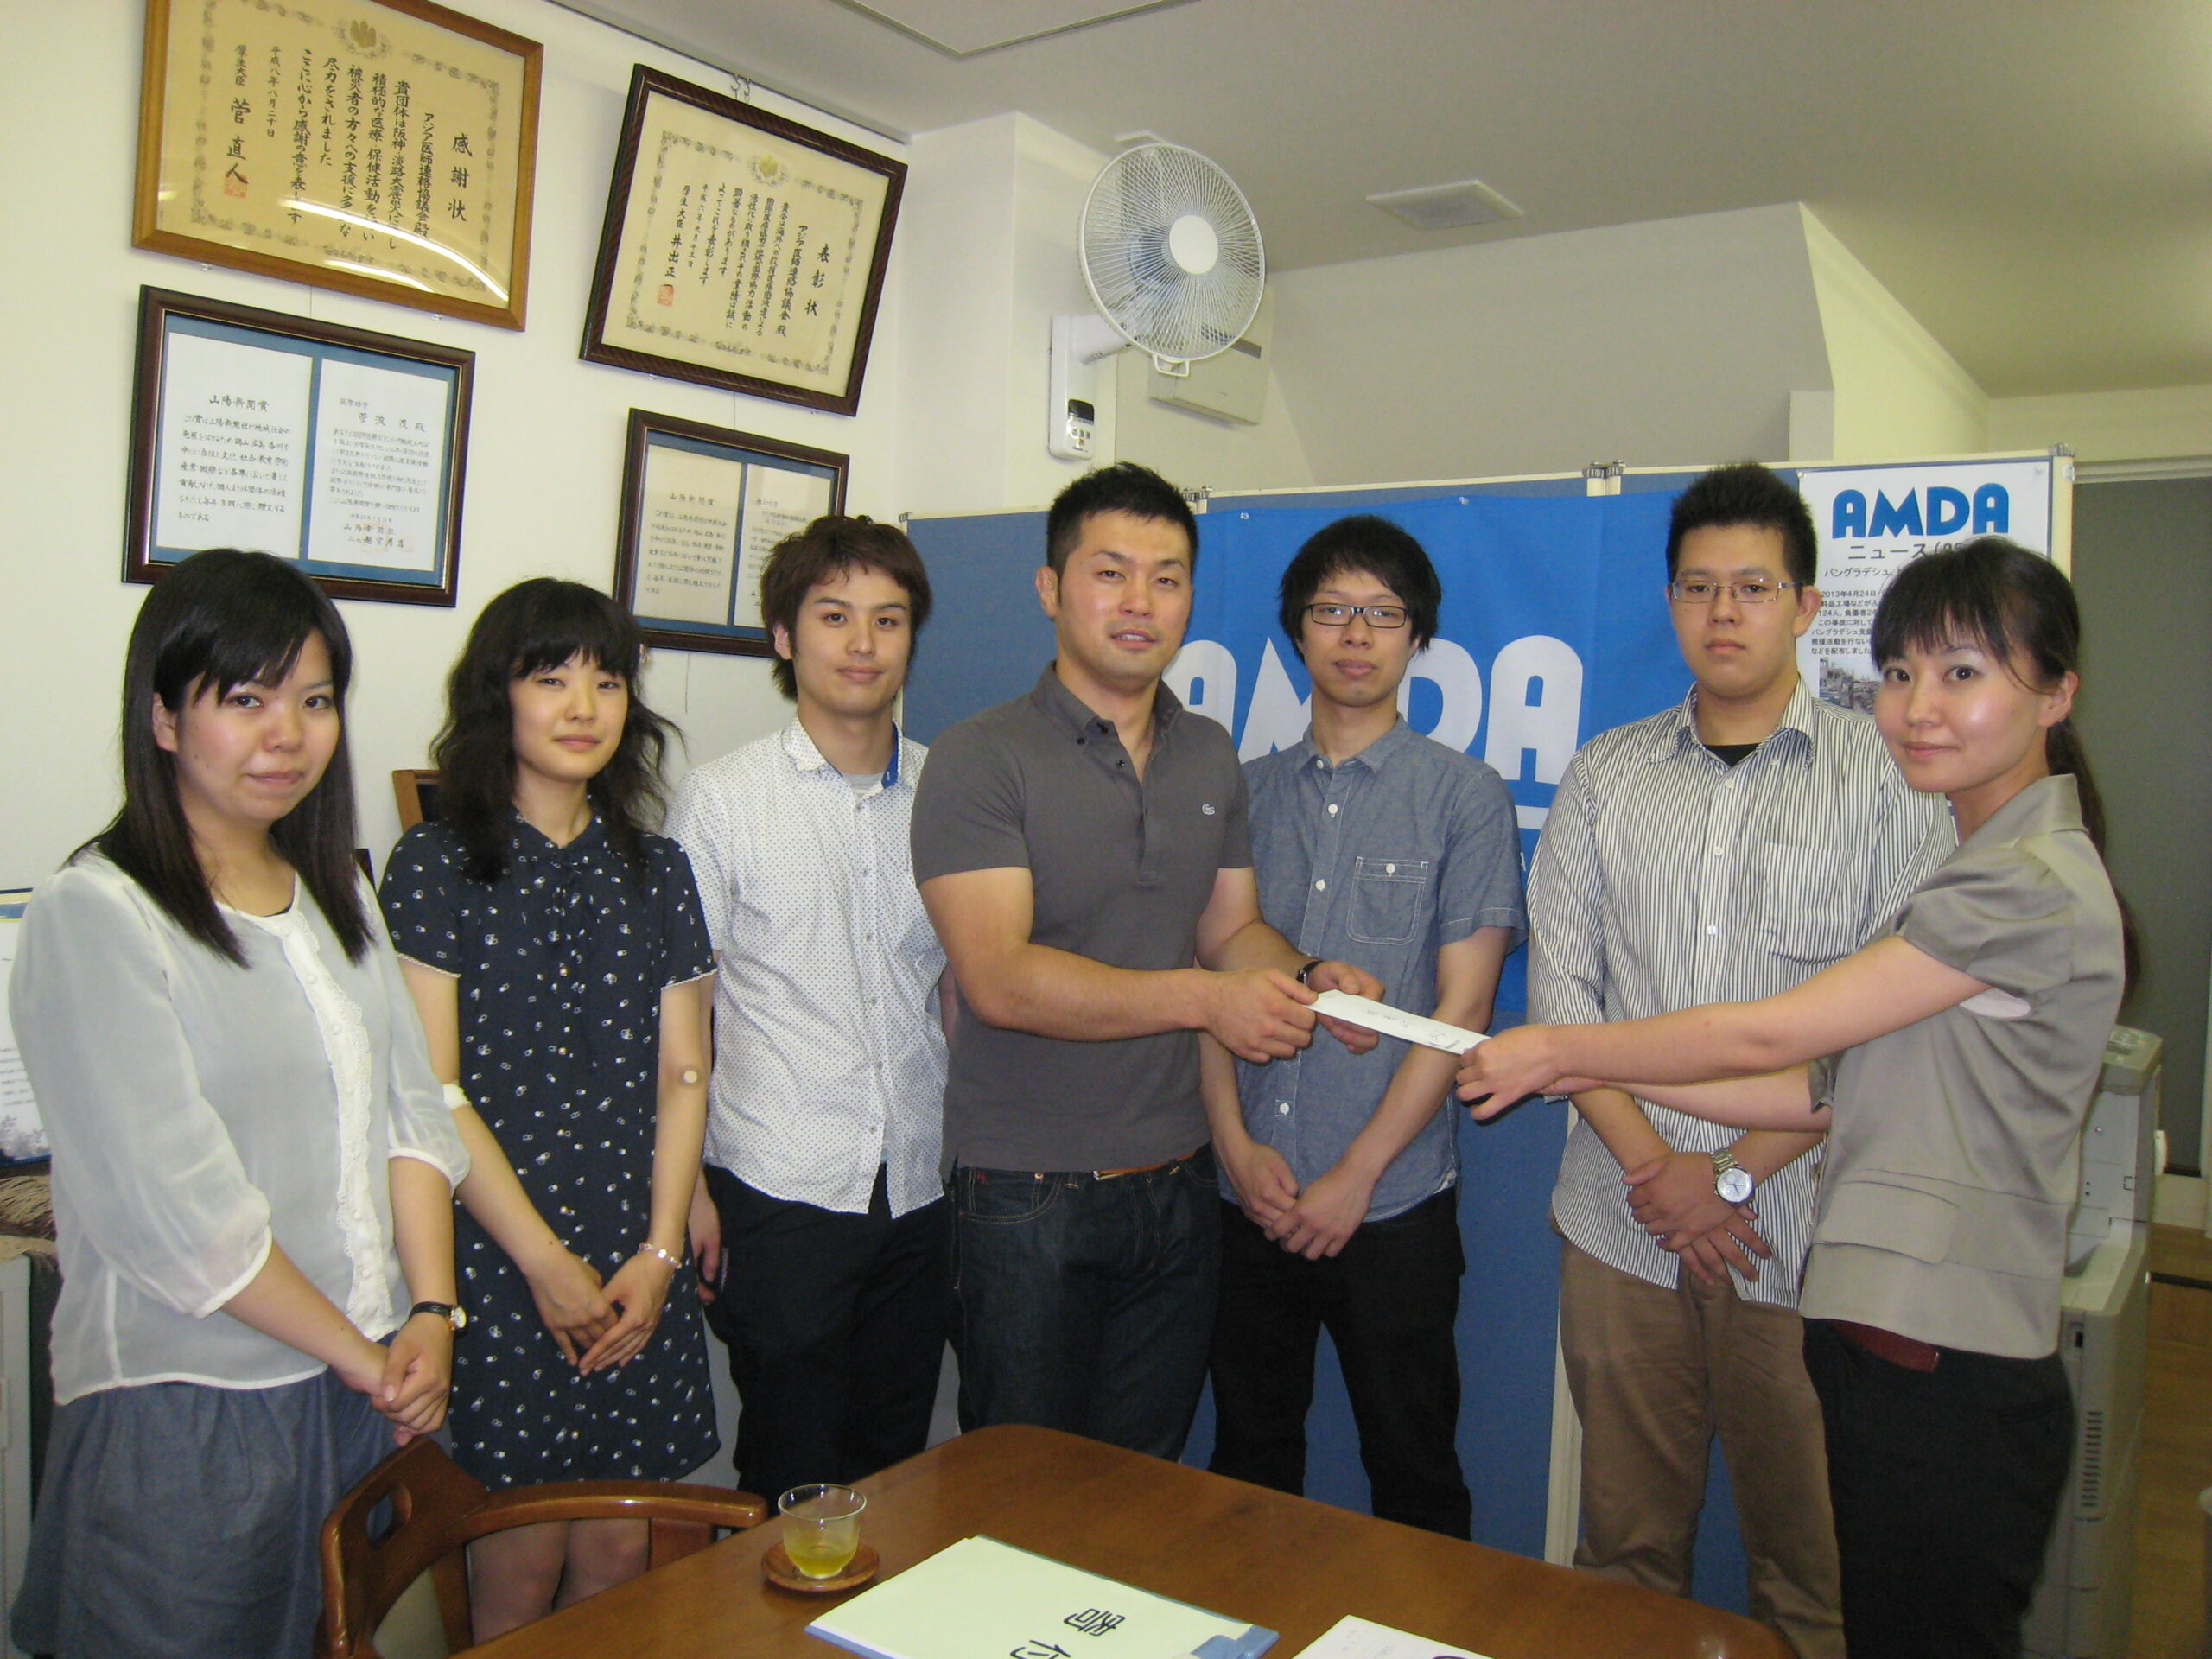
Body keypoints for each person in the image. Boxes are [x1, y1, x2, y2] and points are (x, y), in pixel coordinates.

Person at [1459, 536, 2124, 1659]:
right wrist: (1584, 1074)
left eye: (1963, 673)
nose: (1919, 706)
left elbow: (1776, 1031)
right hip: (1873, 1339)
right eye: (1901, 673)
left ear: (2055, 693)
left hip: (1938, 1353)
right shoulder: (1981, 865)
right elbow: (1822, 1082)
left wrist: (1564, 1053)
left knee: (1857, 1611)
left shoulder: (2022, 884)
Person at [7, 550, 467, 1659]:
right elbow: (181, 1217)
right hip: (193, 1404)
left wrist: (431, 1314)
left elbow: (412, 1115)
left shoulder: (338, 889)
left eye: (314, 700)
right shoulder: (96, 914)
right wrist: (368, 1357)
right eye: (247, 700)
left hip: (370, 1384)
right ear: (164, 717)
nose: (288, 735)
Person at [1529, 462, 1947, 1657]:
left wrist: (1726, 1176)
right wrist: (1656, 1170)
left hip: (1805, 1234)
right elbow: (1563, 996)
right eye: (1698, 587)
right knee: (1622, 1560)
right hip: (1621, 1228)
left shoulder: (1891, 778)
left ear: (1806, 605)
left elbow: (1888, 1029)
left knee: (1812, 1576)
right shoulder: (1605, 775)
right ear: (1669, 601)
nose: (1724, 612)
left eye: (1753, 587)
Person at [910, 461, 1384, 1459]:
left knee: (1142, 1488)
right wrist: (1208, 1002)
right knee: (1021, 1488)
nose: (1139, 602)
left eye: (1166, 579)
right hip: (1026, 1191)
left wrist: (1306, 978)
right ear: (1050, 588)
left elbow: (1229, 930)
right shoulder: (978, 757)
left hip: (1177, 1183)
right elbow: (998, 979)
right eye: (1110, 573)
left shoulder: (1206, 753)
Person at [380, 579, 715, 1641]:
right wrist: (542, 1263)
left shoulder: (658, 868)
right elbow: (432, 1092)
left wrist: (660, 1254)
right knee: (517, 1563)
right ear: (499, 697)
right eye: (552, 678)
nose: (583, 705)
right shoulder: (436, 863)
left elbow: (685, 1073)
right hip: (496, 1257)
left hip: (633, 1260)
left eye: (606, 681)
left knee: (620, 1556)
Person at [1204, 515, 1523, 1537]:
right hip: (1248, 1195)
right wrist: (1232, 1147)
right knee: (1247, 1471)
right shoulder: (1240, 794)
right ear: (1296, 630)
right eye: (1331, 611)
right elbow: (1207, 979)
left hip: (1390, 1208)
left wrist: (1357, 1175)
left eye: (1381, 614)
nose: (1354, 635)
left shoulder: (1465, 797)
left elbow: (1462, 1012)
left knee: (1414, 1476)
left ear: (1416, 635)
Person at [665, 516, 951, 1510]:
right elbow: (680, 1016)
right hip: (778, 1187)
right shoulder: (720, 800)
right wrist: (687, 1191)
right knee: (788, 1473)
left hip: (917, 1184)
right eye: (833, 617)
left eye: (887, 619)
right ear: (784, 637)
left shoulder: (948, 793)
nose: (862, 643)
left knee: (895, 1468)